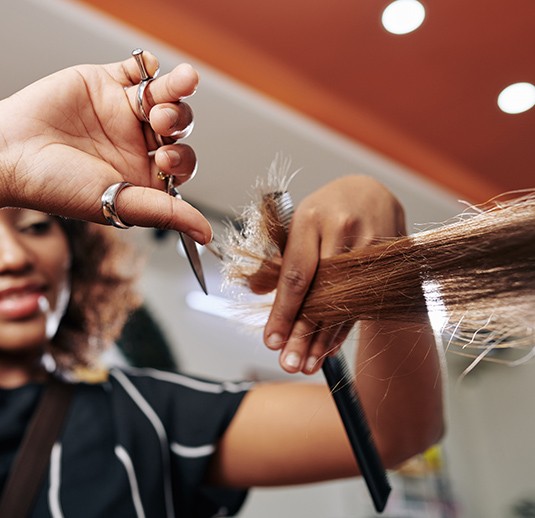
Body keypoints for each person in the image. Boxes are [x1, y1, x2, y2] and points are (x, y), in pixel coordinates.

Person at [0, 54, 443, 517]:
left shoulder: (146, 415)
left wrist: (391, 254)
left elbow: (386, 432)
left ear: (75, 257)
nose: (12, 259)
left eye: (34, 227)